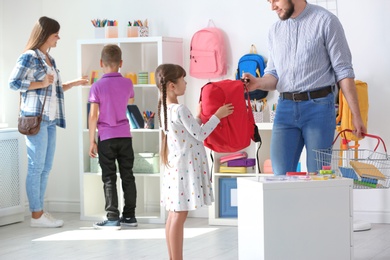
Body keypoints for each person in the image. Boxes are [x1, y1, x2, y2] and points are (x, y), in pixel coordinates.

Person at [243, 0, 367, 175]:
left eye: (276, 0)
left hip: (319, 108)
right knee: (280, 177)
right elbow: (273, 75)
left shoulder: (326, 21)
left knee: (318, 176)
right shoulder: (275, 31)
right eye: (269, 1)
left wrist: (356, 115)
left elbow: (343, 71)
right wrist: (258, 82)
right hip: (285, 109)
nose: (272, 7)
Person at [9, 16, 88, 228]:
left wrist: (75, 83)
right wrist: (40, 82)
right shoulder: (29, 57)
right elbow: (13, 83)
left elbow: (52, 89)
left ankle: (40, 212)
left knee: (45, 167)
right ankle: (36, 215)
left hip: (51, 119)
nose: (58, 38)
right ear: (45, 35)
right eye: (55, 34)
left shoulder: (49, 59)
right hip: (36, 119)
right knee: (36, 167)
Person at [155, 64, 234, 260]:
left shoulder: (165, 109)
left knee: (174, 216)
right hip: (184, 169)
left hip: (176, 167)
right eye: (183, 79)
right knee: (179, 216)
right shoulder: (179, 108)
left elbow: (188, 130)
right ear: (172, 85)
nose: (186, 83)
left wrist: (197, 116)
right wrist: (218, 116)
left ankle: (174, 258)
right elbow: (199, 135)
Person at [88, 44, 137, 230]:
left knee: (109, 178)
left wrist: (91, 140)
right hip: (125, 136)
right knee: (128, 176)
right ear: (121, 63)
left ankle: (112, 217)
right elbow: (130, 101)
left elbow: (93, 115)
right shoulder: (128, 83)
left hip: (106, 138)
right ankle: (130, 217)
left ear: (101, 63)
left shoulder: (97, 86)